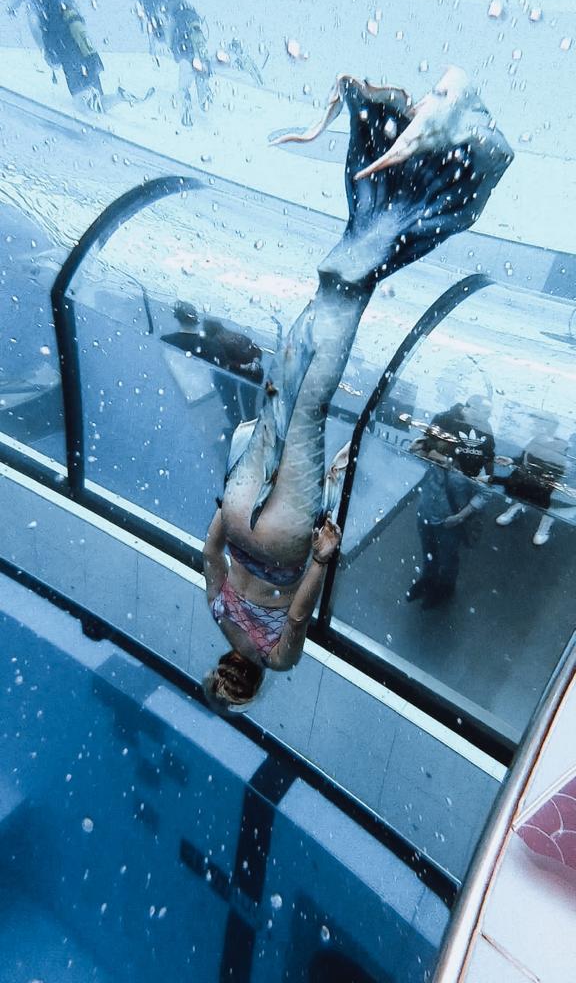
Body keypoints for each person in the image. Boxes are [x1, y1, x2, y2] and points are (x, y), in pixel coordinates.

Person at [201, 67, 513, 710]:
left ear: (251, 680)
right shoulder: (219, 618)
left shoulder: (275, 658)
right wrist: (230, 512)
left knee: (307, 408)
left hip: (281, 545)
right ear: (223, 667)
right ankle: (353, 249)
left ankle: (384, 225)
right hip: (238, 515)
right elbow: (210, 556)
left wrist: (320, 557)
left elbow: (297, 614)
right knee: (280, 397)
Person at [9, 0, 151, 114]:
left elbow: (38, 29)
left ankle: (119, 97)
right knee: (96, 98)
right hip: (85, 48)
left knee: (81, 103)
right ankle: (119, 96)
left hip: (68, 52)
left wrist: (48, 54)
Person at [406, 406, 492, 609]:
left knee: (448, 557)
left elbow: (485, 493)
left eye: (440, 438)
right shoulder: (432, 451)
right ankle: (427, 580)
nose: (435, 442)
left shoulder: (470, 463)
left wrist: (460, 517)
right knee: (428, 550)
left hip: (450, 520)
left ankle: (445, 588)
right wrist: (418, 448)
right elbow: (415, 460)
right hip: (426, 512)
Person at [161, 301, 264, 437]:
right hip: (253, 374)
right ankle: (250, 426)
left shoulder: (211, 342)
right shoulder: (230, 338)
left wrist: (242, 367)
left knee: (231, 402)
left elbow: (224, 364)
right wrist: (254, 363)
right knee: (248, 403)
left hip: (234, 376)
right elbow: (254, 350)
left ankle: (239, 428)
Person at [127, 0, 212, 125]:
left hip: (179, 23)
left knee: (185, 57)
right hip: (192, 18)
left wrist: (158, 34)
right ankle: (204, 90)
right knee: (197, 55)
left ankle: (187, 100)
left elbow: (155, 20)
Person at [496, 416, 568, 545]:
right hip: (530, 481)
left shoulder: (561, 447)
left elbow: (561, 473)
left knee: (550, 502)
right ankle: (519, 506)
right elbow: (524, 459)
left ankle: (546, 523)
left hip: (548, 486)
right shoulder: (536, 440)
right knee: (525, 490)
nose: (530, 427)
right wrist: (512, 460)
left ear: (544, 428)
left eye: (534, 424)